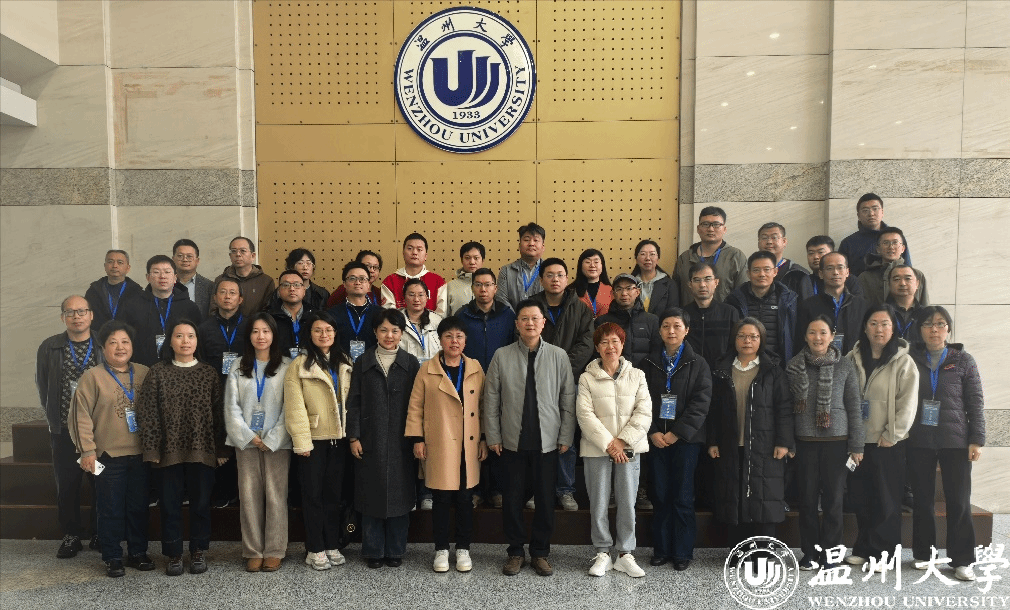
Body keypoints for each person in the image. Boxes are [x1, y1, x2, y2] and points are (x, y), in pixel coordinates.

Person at [484, 299, 576, 577]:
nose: (530, 323)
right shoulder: (502, 355)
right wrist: (493, 435)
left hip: (547, 442)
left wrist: (566, 434)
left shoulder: (559, 356)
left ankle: (540, 552)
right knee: (512, 499)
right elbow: (491, 399)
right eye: (524, 318)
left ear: (543, 323)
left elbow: (568, 398)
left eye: (535, 318)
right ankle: (515, 551)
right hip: (511, 441)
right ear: (517, 324)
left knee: (546, 500)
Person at [137, 320, 227, 576]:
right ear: (170, 341)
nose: (185, 341)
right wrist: (152, 449)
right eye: (179, 336)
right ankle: (174, 553)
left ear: (197, 341)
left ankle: (198, 551)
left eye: (191, 336)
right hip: (167, 452)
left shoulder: (208, 373)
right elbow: (148, 413)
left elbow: (219, 413)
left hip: (203, 450)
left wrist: (221, 449)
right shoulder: (158, 372)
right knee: (170, 505)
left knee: (201, 504)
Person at [69, 320, 152, 577]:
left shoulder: (144, 373)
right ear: (103, 347)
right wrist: (87, 451)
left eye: (125, 342)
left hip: (141, 455)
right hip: (107, 455)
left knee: (138, 507)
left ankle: (138, 552)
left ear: (132, 346)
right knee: (110, 508)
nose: (120, 347)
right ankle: (113, 556)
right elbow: (80, 416)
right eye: (113, 342)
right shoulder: (92, 377)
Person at [907, 306, 985, 582]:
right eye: (928, 324)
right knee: (922, 500)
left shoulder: (963, 360)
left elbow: (975, 401)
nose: (934, 329)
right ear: (919, 329)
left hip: (956, 440)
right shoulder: (909, 358)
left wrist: (976, 439)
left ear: (948, 329)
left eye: (940, 324)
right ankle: (924, 554)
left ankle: (962, 560)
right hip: (919, 439)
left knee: (959, 501)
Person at [405, 316, 487, 573]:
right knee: (440, 499)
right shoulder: (427, 369)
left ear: (466, 340)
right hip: (439, 443)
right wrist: (417, 439)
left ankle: (463, 548)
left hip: (468, 445)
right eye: (448, 336)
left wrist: (485, 438)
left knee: (465, 499)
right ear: (440, 340)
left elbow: (484, 407)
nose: (454, 341)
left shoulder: (475, 367)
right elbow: (415, 406)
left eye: (459, 336)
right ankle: (441, 549)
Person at [785, 315, 863, 571]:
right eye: (812, 332)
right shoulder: (793, 366)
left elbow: (854, 406)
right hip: (804, 441)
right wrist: (789, 442)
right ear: (805, 336)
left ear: (832, 336)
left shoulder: (845, 366)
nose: (817, 338)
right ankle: (809, 553)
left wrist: (857, 445)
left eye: (823, 332)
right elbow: (786, 408)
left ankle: (830, 553)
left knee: (833, 500)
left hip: (837, 441)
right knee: (806, 501)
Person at [707, 318, 793, 545]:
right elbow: (713, 409)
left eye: (753, 336)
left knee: (763, 496)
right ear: (734, 339)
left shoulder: (772, 370)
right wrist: (713, 441)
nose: (747, 341)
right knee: (734, 497)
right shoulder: (722, 370)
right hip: (731, 444)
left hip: (765, 444)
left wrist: (783, 442)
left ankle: (763, 551)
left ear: (761, 339)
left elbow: (784, 408)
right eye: (742, 336)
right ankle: (739, 551)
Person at [346, 309, 421, 569]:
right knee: (371, 495)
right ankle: (374, 550)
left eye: (395, 331)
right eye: (384, 330)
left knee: (400, 497)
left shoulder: (411, 363)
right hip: (370, 439)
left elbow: (418, 405)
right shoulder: (363, 362)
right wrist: (353, 436)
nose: (389, 336)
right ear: (375, 332)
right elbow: (354, 402)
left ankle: (396, 550)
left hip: (402, 440)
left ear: (402, 334)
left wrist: (417, 437)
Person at [844, 305, 918, 567]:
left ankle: (884, 554)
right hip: (857, 442)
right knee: (861, 498)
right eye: (873, 323)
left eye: (885, 323)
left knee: (886, 501)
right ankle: (864, 548)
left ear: (893, 328)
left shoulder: (903, 361)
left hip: (887, 442)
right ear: (865, 328)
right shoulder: (851, 358)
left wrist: (892, 434)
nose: (879, 329)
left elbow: (908, 403)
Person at [577, 323, 652, 579]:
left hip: (629, 448)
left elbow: (644, 412)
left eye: (615, 341)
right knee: (598, 502)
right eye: (604, 342)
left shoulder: (637, 375)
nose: (610, 347)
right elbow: (584, 415)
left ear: (622, 344)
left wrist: (622, 442)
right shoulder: (586, 378)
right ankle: (602, 552)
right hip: (597, 449)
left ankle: (625, 554)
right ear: (597, 348)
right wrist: (610, 444)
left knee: (627, 502)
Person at [640, 308, 711, 571]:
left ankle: (682, 552)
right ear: (659, 331)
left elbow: (701, 403)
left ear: (686, 330)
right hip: (656, 439)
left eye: (677, 326)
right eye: (666, 326)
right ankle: (661, 549)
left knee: (682, 495)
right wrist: (653, 431)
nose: (671, 331)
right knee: (659, 494)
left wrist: (676, 433)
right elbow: (639, 401)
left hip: (686, 441)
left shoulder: (699, 363)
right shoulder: (647, 363)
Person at [283, 311, 352, 571]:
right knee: (312, 496)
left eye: (329, 330)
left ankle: (332, 544)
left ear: (335, 333)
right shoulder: (299, 365)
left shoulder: (344, 361)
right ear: (309, 334)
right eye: (318, 330)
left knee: (333, 495)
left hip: (339, 439)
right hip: (313, 440)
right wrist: (302, 442)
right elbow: (294, 407)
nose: (324, 335)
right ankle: (314, 548)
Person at [224, 313, 292, 573]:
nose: (260, 336)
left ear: (274, 335)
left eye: (266, 331)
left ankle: (274, 550)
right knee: (249, 496)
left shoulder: (286, 365)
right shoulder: (238, 365)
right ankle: (253, 550)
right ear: (248, 336)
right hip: (246, 442)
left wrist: (272, 438)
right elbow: (231, 407)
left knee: (276, 496)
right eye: (255, 331)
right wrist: (249, 436)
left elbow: (290, 406)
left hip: (277, 443)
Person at [36, 295, 103, 559]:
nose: (77, 316)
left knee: (99, 481)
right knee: (67, 484)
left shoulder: (102, 344)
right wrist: (54, 418)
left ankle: (99, 532)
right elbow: (43, 385)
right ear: (62, 317)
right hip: (64, 432)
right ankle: (71, 535)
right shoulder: (49, 347)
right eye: (71, 312)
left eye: (82, 311)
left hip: (97, 432)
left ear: (91, 315)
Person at [531, 258, 595, 512]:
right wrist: (545, 371)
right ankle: (538, 489)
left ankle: (565, 489)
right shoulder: (532, 306)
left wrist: (562, 370)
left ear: (567, 279)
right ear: (541, 280)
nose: (555, 279)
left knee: (567, 436)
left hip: (571, 381)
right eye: (549, 275)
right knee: (538, 436)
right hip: (537, 381)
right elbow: (524, 339)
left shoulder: (580, 309)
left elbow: (586, 343)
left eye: (559, 275)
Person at [458, 267, 516, 508]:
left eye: (488, 284)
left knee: (496, 435)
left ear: (495, 288)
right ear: (472, 288)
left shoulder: (507, 314)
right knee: (472, 436)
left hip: (501, 381)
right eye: (478, 285)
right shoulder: (462, 314)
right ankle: (475, 489)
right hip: (469, 381)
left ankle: (497, 490)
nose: (483, 289)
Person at [725, 251, 799, 366]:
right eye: (756, 270)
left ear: (775, 272)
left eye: (767, 269)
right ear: (748, 273)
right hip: (744, 364)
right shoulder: (734, 300)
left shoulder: (788, 300)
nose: (762, 274)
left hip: (778, 365)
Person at [132, 255, 202, 366]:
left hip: (180, 368)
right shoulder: (135, 306)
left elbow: (198, 341)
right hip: (143, 367)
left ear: (175, 278)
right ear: (148, 277)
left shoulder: (189, 307)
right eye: (156, 272)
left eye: (167, 272)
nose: (162, 276)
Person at [796, 252, 868, 356]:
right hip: (817, 362)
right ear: (821, 274)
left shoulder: (861, 305)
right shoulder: (808, 306)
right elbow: (800, 342)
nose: (835, 272)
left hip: (853, 362)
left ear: (847, 272)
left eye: (840, 267)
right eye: (830, 268)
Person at [674, 206, 748, 304]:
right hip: (689, 313)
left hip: (725, 313)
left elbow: (743, 294)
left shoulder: (736, 256)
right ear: (698, 229)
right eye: (705, 224)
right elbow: (675, 294)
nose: (711, 229)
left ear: (724, 229)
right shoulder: (685, 258)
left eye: (716, 224)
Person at [838, 193, 913, 277]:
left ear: (882, 212)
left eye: (875, 209)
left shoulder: (897, 237)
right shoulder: (848, 243)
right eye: (865, 210)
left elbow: (908, 269)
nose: (871, 214)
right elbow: (842, 275)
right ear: (858, 215)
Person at [682, 262, 740, 369]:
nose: (702, 285)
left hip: (722, 373)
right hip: (690, 373)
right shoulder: (682, 315)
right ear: (690, 284)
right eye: (697, 280)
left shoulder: (730, 313)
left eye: (707, 279)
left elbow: (736, 347)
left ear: (716, 282)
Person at [594, 274, 660, 367]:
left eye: (629, 288)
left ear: (637, 292)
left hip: (644, 374)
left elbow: (657, 353)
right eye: (619, 289)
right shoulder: (602, 322)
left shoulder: (652, 321)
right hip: (612, 374)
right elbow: (596, 354)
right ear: (613, 294)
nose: (624, 293)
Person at [858, 227, 928, 306]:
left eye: (895, 242)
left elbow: (925, 308)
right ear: (878, 249)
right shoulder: (865, 278)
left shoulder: (917, 275)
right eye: (886, 243)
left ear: (903, 248)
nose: (891, 247)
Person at [381, 233, 447, 315]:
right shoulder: (390, 281)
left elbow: (442, 314)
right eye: (410, 248)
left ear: (426, 256)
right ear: (403, 253)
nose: (414, 252)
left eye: (419, 249)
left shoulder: (438, 282)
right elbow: (389, 315)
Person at [328, 261, 379, 362]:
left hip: (372, 367)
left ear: (368, 284)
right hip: (341, 366)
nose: (357, 282)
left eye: (362, 279)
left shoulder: (380, 314)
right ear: (344, 284)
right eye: (352, 278)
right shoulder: (332, 314)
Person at [197, 279, 248, 380]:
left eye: (232, 293)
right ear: (215, 298)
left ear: (240, 299)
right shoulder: (204, 328)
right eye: (223, 292)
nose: (227, 296)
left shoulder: (250, 326)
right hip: (212, 382)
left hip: (243, 381)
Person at [214, 236, 276, 316]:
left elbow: (268, 313)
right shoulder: (221, 280)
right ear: (230, 256)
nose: (238, 254)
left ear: (253, 256)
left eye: (243, 251)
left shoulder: (266, 281)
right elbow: (214, 309)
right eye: (234, 251)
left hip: (255, 323)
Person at [85, 250, 144, 330]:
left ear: (128, 268)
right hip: (99, 336)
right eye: (110, 262)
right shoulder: (93, 291)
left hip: (128, 336)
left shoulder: (137, 292)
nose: (115, 266)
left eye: (120, 262)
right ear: (105, 266)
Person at [757, 222, 811, 302]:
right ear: (758, 242)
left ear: (784, 242)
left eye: (774, 237)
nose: (769, 242)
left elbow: (807, 305)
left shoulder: (799, 273)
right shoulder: (752, 271)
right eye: (764, 238)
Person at [498, 222, 546, 308]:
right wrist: (519, 316)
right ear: (519, 245)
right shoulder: (506, 270)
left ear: (543, 247)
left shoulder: (549, 271)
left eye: (536, 240)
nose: (531, 244)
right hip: (513, 317)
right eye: (527, 240)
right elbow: (501, 300)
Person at [269, 269, 314, 358]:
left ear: (304, 290)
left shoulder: (315, 317)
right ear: (279, 291)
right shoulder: (269, 318)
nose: (292, 289)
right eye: (286, 285)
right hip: (278, 365)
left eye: (297, 285)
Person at [399, 278, 444, 367]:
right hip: (405, 371)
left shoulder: (438, 321)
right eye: (411, 295)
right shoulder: (395, 321)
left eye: (421, 295)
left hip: (433, 370)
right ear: (404, 297)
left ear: (427, 297)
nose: (416, 299)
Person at [631, 239, 679, 315]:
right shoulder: (630, 284)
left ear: (658, 259)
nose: (647, 258)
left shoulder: (669, 284)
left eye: (652, 254)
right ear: (636, 259)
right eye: (643, 254)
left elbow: (674, 314)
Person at [172, 239, 214, 318]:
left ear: (197, 261)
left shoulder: (209, 286)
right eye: (180, 256)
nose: (185, 260)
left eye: (189, 256)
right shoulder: (165, 283)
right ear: (173, 259)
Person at [887, 265, 926, 341]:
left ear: (917, 284)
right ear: (889, 284)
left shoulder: (926, 314)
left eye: (908, 278)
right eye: (897, 279)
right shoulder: (881, 313)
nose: (902, 283)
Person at [446, 241, 485, 314]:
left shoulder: (490, 286)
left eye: (476, 258)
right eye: (467, 258)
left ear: (482, 260)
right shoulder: (450, 286)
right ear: (462, 260)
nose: (472, 262)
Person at [573, 248, 613, 318]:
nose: (592, 265)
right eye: (587, 262)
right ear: (580, 266)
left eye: (596, 262)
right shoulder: (571, 291)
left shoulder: (611, 291)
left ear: (602, 266)